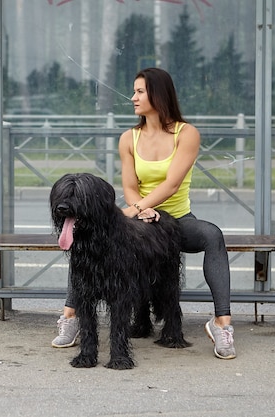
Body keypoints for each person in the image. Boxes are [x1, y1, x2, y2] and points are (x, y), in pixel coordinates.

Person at [52, 67, 236, 360]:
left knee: (212, 235)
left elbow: (172, 183)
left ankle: (222, 325)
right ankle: (71, 316)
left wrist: (145, 209)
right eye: (134, 91)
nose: (133, 97)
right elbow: (129, 186)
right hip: (138, 217)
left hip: (176, 218)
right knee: (90, 240)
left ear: (158, 94)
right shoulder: (129, 138)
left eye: (140, 91)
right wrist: (139, 210)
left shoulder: (186, 133)